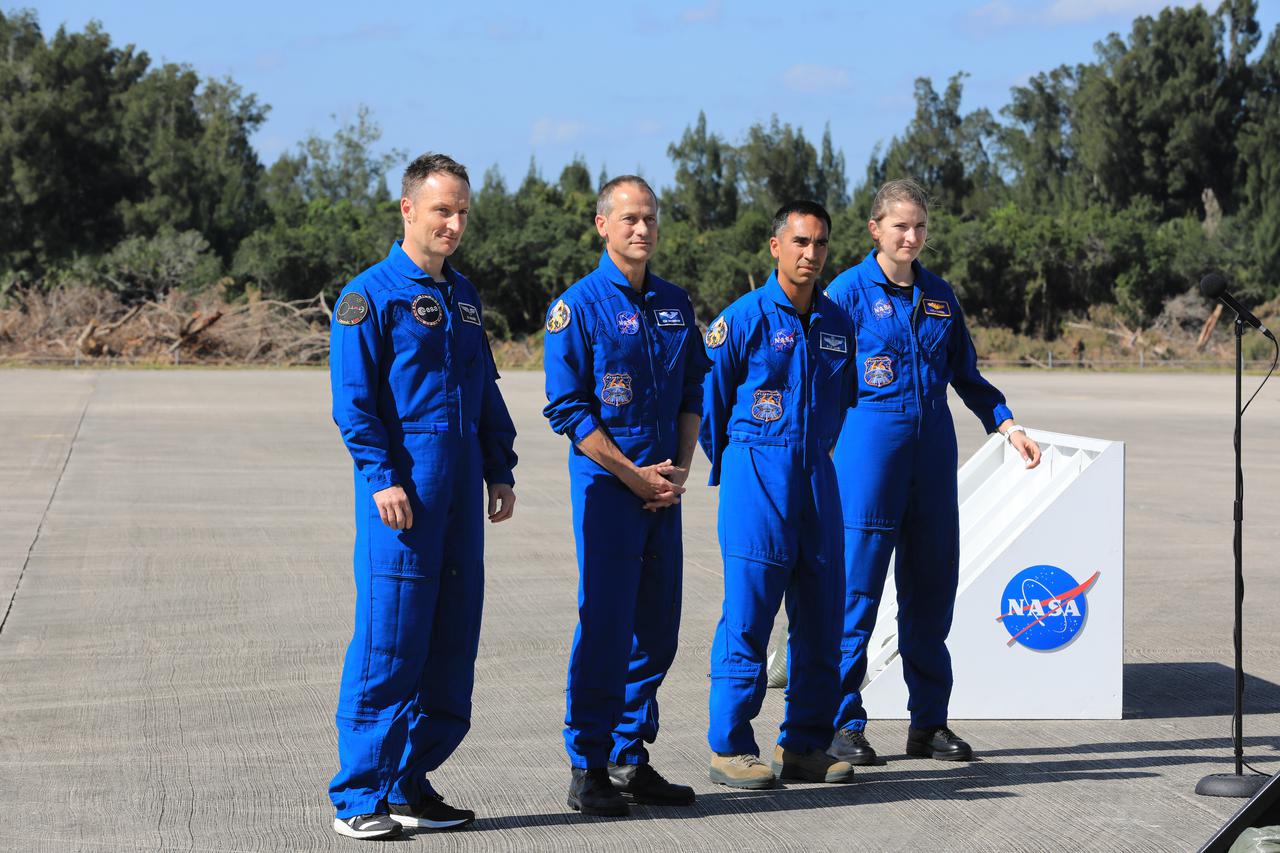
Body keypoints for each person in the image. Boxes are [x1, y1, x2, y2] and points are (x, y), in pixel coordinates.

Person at [327, 153, 518, 840]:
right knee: (391, 642)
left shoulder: (464, 298)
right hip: (405, 496)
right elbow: (354, 404)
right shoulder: (368, 296)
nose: (455, 223)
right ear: (408, 209)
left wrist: (500, 466)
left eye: (463, 210)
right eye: (442, 209)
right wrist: (381, 477)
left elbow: (484, 387)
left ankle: (409, 780)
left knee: (451, 643)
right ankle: (358, 794)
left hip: (463, 489)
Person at [823, 179, 1041, 766]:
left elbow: (967, 374)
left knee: (931, 593)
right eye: (900, 226)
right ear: (875, 230)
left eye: (920, 226)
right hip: (869, 457)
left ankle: (929, 723)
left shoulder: (941, 295)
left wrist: (1007, 423)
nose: (912, 236)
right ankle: (841, 724)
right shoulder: (844, 294)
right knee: (856, 594)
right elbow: (819, 381)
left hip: (932, 459)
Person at [542, 176, 709, 817]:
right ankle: (588, 766)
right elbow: (570, 409)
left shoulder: (674, 303)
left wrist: (679, 473)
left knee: (658, 631)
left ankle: (628, 756)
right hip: (610, 491)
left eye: (650, 219)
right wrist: (634, 476)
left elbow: (695, 390)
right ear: (602, 225)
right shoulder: (576, 307)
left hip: (663, 490)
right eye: (629, 219)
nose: (641, 230)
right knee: (606, 627)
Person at [699, 200, 858, 790]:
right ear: (775, 246)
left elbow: (840, 406)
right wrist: (742, 466)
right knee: (749, 614)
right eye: (799, 242)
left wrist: (810, 455)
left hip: (816, 475)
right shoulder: (742, 320)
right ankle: (731, 746)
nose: (810, 254)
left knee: (822, 616)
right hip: (755, 474)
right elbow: (710, 406)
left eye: (819, 244)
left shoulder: (840, 326)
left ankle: (806, 744)